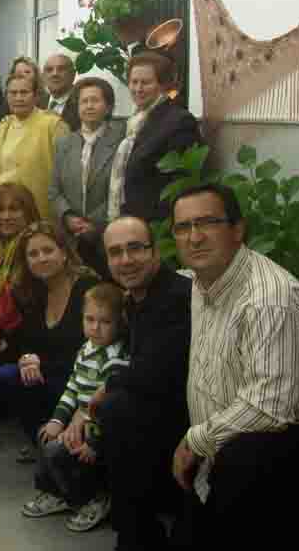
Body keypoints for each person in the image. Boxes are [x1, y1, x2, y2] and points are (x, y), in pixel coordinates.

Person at [168, 184, 299, 548]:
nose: (194, 237)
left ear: (237, 230)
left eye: (207, 223)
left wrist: (194, 440)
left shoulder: (268, 300)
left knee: (243, 462)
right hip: (232, 437)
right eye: (183, 227)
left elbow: (268, 409)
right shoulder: (204, 281)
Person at [90, 215, 192, 550]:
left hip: (191, 414)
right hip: (160, 408)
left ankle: (137, 534)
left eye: (135, 248)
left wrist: (110, 385)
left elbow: (159, 371)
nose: (125, 260)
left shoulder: (175, 297)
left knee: (118, 408)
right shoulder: (134, 300)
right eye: (115, 252)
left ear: (156, 252)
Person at [22, 283, 128, 532]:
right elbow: (72, 388)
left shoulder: (115, 358)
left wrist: (94, 442)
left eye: (105, 321)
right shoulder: (85, 350)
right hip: (79, 421)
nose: (95, 327)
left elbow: (111, 407)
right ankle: (56, 492)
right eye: (89, 319)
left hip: (99, 428)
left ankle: (93, 499)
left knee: (62, 453)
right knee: (45, 436)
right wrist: (58, 420)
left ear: (119, 323)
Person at [0, 221, 98, 457]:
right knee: (7, 376)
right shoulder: (35, 292)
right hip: (49, 375)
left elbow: (93, 346)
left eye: (48, 250)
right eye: (33, 254)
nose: (41, 258)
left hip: (83, 378)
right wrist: (28, 358)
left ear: (63, 253)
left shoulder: (87, 288)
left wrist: (41, 363)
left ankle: (63, 441)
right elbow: (27, 342)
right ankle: (41, 439)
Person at [107, 51, 201, 223]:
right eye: (134, 82)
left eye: (146, 82)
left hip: (155, 224)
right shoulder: (134, 120)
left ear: (164, 85)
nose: (138, 89)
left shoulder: (179, 121)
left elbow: (180, 182)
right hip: (130, 220)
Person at [49, 77, 125, 277]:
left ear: (108, 107)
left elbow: (121, 188)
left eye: (95, 100)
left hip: (106, 235)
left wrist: (94, 224)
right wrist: (68, 217)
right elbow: (54, 190)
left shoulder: (121, 141)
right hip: (71, 238)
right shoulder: (64, 144)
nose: (89, 106)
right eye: (84, 101)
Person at [0, 183, 42, 388]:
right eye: (0, 210)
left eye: (14, 209)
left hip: (27, 344)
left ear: (28, 212)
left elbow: (37, 309)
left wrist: (6, 346)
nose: (6, 216)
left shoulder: (35, 246)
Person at [0, 73, 69, 219]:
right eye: (13, 93)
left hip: (41, 214)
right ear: (6, 96)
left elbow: (67, 176)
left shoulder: (53, 125)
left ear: (36, 96)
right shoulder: (1, 130)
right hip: (6, 215)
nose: (18, 98)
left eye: (24, 92)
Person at [41, 54, 80, 131]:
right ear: (43, 76)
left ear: (73, 74)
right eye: (49, 70)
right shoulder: (35, 104)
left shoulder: (83, 104)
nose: (55, 74)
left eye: (61, 69)